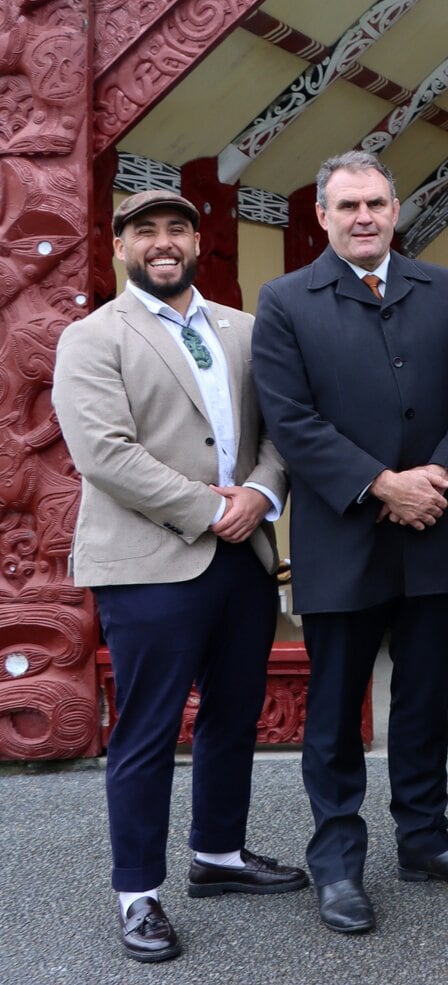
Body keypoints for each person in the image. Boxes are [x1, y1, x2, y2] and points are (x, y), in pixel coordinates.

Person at [253, 151, 448, 935]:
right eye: (347, 206)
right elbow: (289, 417)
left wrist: (440, 474)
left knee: (428, 697)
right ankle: (337, 862)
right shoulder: (287, 300)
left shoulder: (440, 290)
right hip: (345, 535)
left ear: (397, 209)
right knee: (333, 711)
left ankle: (425, 838)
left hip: (436, 529)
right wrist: (381, 485)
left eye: (375, 204)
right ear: (324, 216)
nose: (363, 217)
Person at [52, 189, 305, 963]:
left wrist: (260, 494)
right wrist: (208, 508)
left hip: (242, 558)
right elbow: (106, 454)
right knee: (149, 726)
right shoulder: (93, 338)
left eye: (175, 229)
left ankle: (219, 853)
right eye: (144, 231)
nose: (162, 243)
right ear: (121, 246)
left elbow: (279, 430)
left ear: (197, 241)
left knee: (234, 712)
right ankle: (137, 892)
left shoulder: (245, 328)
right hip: (150, 561)